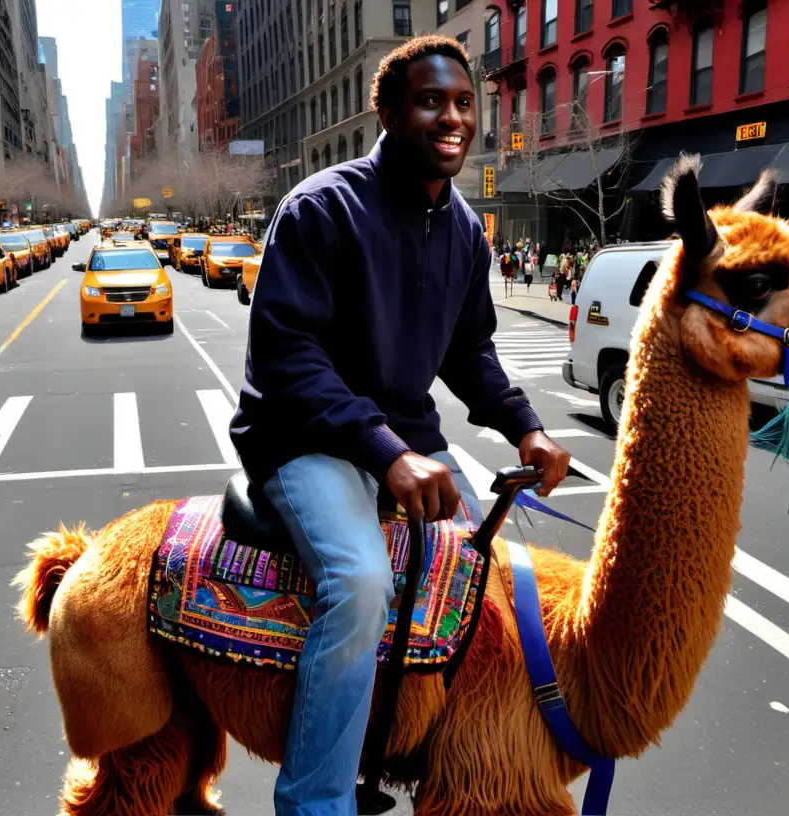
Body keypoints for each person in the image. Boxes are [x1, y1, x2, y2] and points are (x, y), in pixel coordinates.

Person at [230, 35, 570, 816]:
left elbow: (469, 349)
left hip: (403, 441)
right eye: (430, 102)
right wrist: (389, 455)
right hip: (303, 439)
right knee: (359, 583)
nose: (452, 119)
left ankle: (437, 759)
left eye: (462, 105)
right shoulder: (319, 209)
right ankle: (317, 802)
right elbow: (289, 360)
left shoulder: (464, 232)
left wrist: (528, 428)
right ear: (386, 111)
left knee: (490, 577)